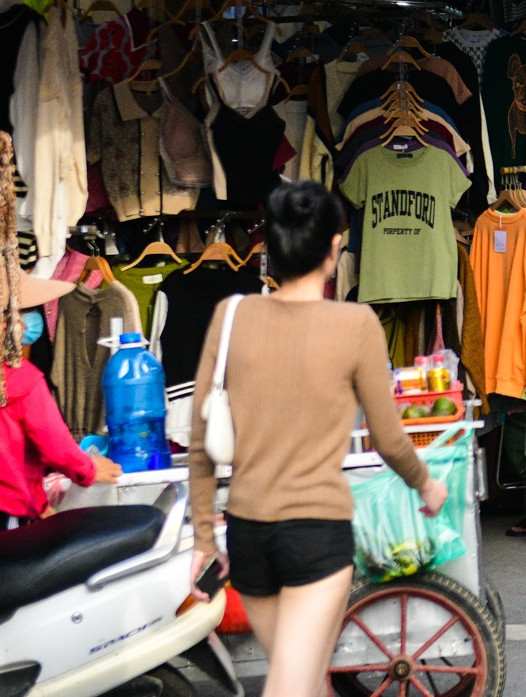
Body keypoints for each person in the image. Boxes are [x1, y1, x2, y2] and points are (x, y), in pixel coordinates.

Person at [188, 182, 446, 697]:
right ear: (333, 249)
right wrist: (426, 485)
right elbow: (389, 439)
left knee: (303, 676)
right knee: (292, 685)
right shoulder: (355, 323)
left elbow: (200, 444)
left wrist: (202, 537)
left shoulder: (232, 315)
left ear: (270, 249)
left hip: (247, 531)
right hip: (315, 532)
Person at [0, 272, 121, 530]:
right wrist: (90, 470)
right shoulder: (25, 381)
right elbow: (55, 445)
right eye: (21, 314)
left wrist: (38, 504)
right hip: (5, 508)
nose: (26, 324)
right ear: (2, 324)